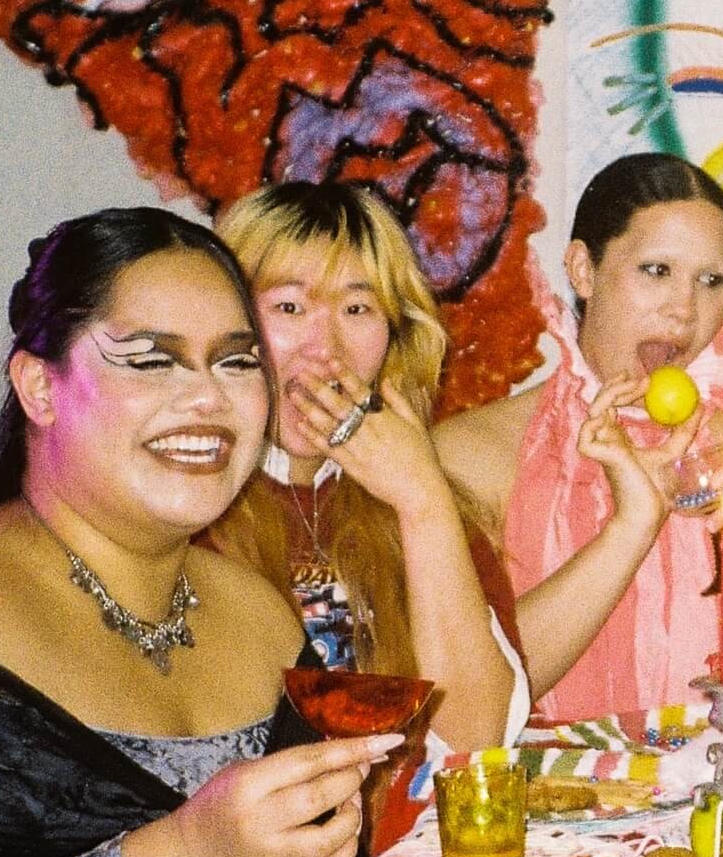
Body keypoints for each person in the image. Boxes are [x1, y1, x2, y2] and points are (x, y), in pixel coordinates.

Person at [0, 209, 399, 857]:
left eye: (235, 361)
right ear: (40, 387)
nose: (208, 399)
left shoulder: (258, 615)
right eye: (151, 358)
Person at [434, 154, 723, 722]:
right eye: (656, 271)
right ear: (583, 270)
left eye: (710, 281)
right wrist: (632, 522)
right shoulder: (471, 455)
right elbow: (471, 708)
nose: (684, 310)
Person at [207, 182, 526, 753]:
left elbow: (475, 739)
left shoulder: (422, 497)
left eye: (357, 308)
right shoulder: (180, 506)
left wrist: (422, 502)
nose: (325, 347)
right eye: (289, 307)